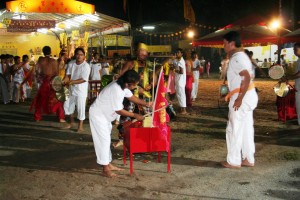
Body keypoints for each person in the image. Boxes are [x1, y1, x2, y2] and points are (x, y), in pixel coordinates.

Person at [89, 70, 151, 177]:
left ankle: (107, 164)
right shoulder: (116, 89)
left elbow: (131, 97)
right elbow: (119, 110)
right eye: (135, 84)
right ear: (128, 83)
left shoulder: (123, 85)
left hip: (104, 115)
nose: (136, 86)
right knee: (103, 141)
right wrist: (135, 115)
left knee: (106, 139)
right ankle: (105, 169)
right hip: (98, 115)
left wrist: (146, 104)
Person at [221, 31, 258, 168]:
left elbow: (246, 77)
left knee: (234, 128)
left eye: (225, 44)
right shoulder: (242, 56)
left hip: (241, 96)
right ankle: (248, 158)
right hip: (249, 95)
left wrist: (239, 99)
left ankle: (234, 160)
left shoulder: (237, 58)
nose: (223, 46)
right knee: (247, 128)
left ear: (231, 44)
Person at [30, 46, 66, 122]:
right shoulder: (54, 61)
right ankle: (61, 117)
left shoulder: (41, 60)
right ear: (50, 51)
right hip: (53, 80)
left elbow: (36, 71)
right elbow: (57, 72)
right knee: (57, 99)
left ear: (43, 52)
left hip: (44, 81)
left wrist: (39, 78)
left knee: (41, 99)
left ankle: (37, 117)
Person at [63, 47, 91, 132]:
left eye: (81, 55)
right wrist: (63, 81)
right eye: (78, 54)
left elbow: (84, 79)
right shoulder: (71, 63)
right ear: (75, 55)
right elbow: (67, 75)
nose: (79, 56)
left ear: (84, 56)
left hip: (81, 91)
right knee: (67, 105)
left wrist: (72, 82)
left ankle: (80, 126)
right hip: (71, 89)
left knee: (80, 108)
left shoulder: (86, 66)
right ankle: (71, 122)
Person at [281, 43, 300, 126]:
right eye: (294, 50)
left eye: (296, 49)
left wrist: (289, 77)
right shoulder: (298, 60)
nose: (294, 51)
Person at [172, 48, 187, 114]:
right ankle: (181, 108)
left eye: (178, 52)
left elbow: (181, 71)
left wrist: (174, 69)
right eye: (176, 52)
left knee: (181, 94)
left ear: (182, 54)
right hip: (177, 79)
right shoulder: (177, 60)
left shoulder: (181, 61)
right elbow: (173, 64)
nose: (177, 54)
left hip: (181, 80)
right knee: (179, 94)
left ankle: (184, 109)